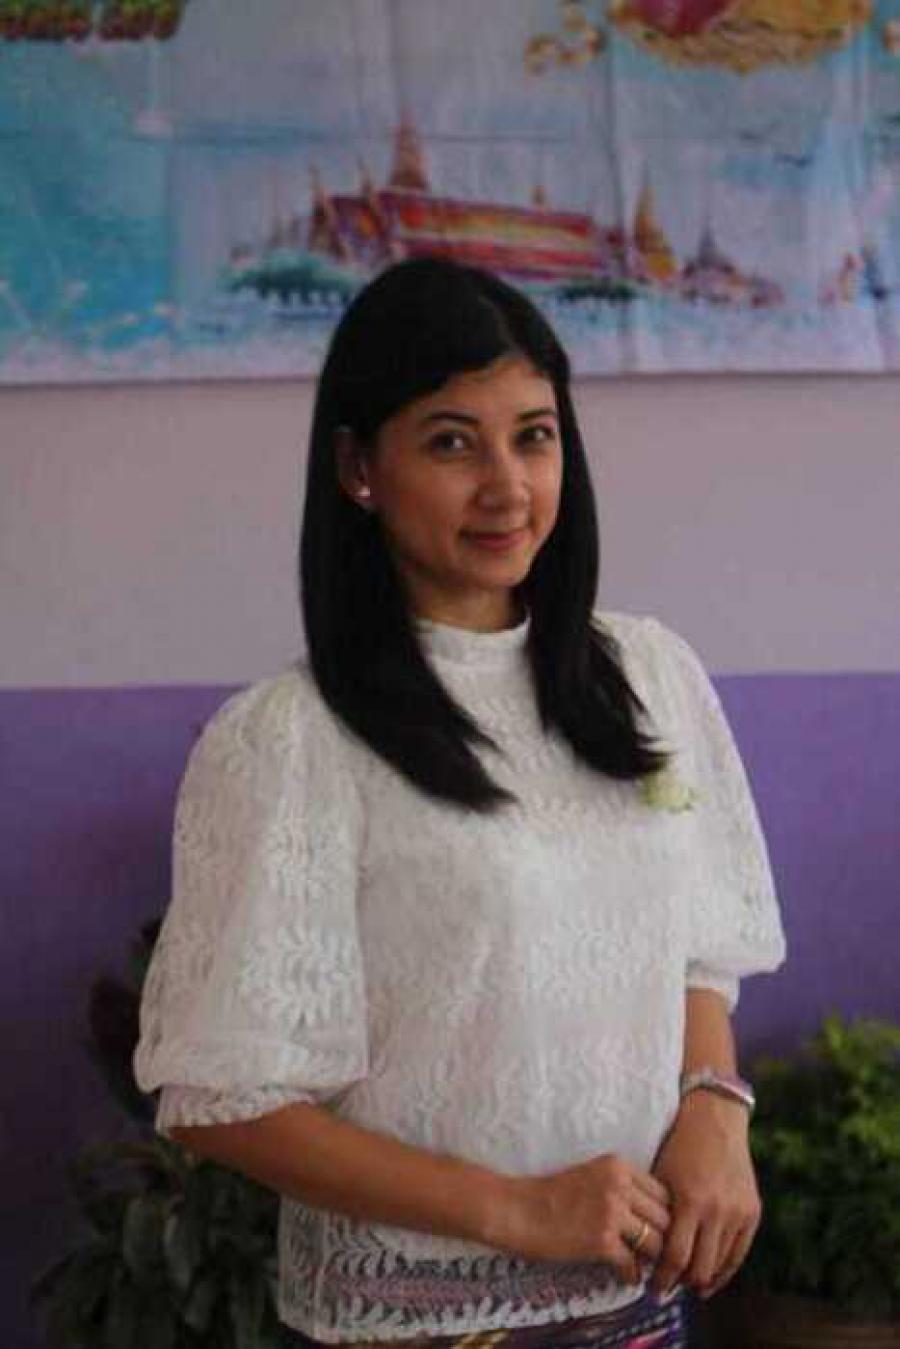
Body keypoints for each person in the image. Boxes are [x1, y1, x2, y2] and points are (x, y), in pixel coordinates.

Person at [133, 256, 786, 1349]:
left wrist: (716, 1104)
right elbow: (223, 1097)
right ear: (359, 467)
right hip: (423, 1326)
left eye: (534, 436)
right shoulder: (291, 738)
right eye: (451, 442)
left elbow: (697, 947)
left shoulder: (647, 675)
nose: (507, 487)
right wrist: (515, 1207)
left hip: (636, 1302)